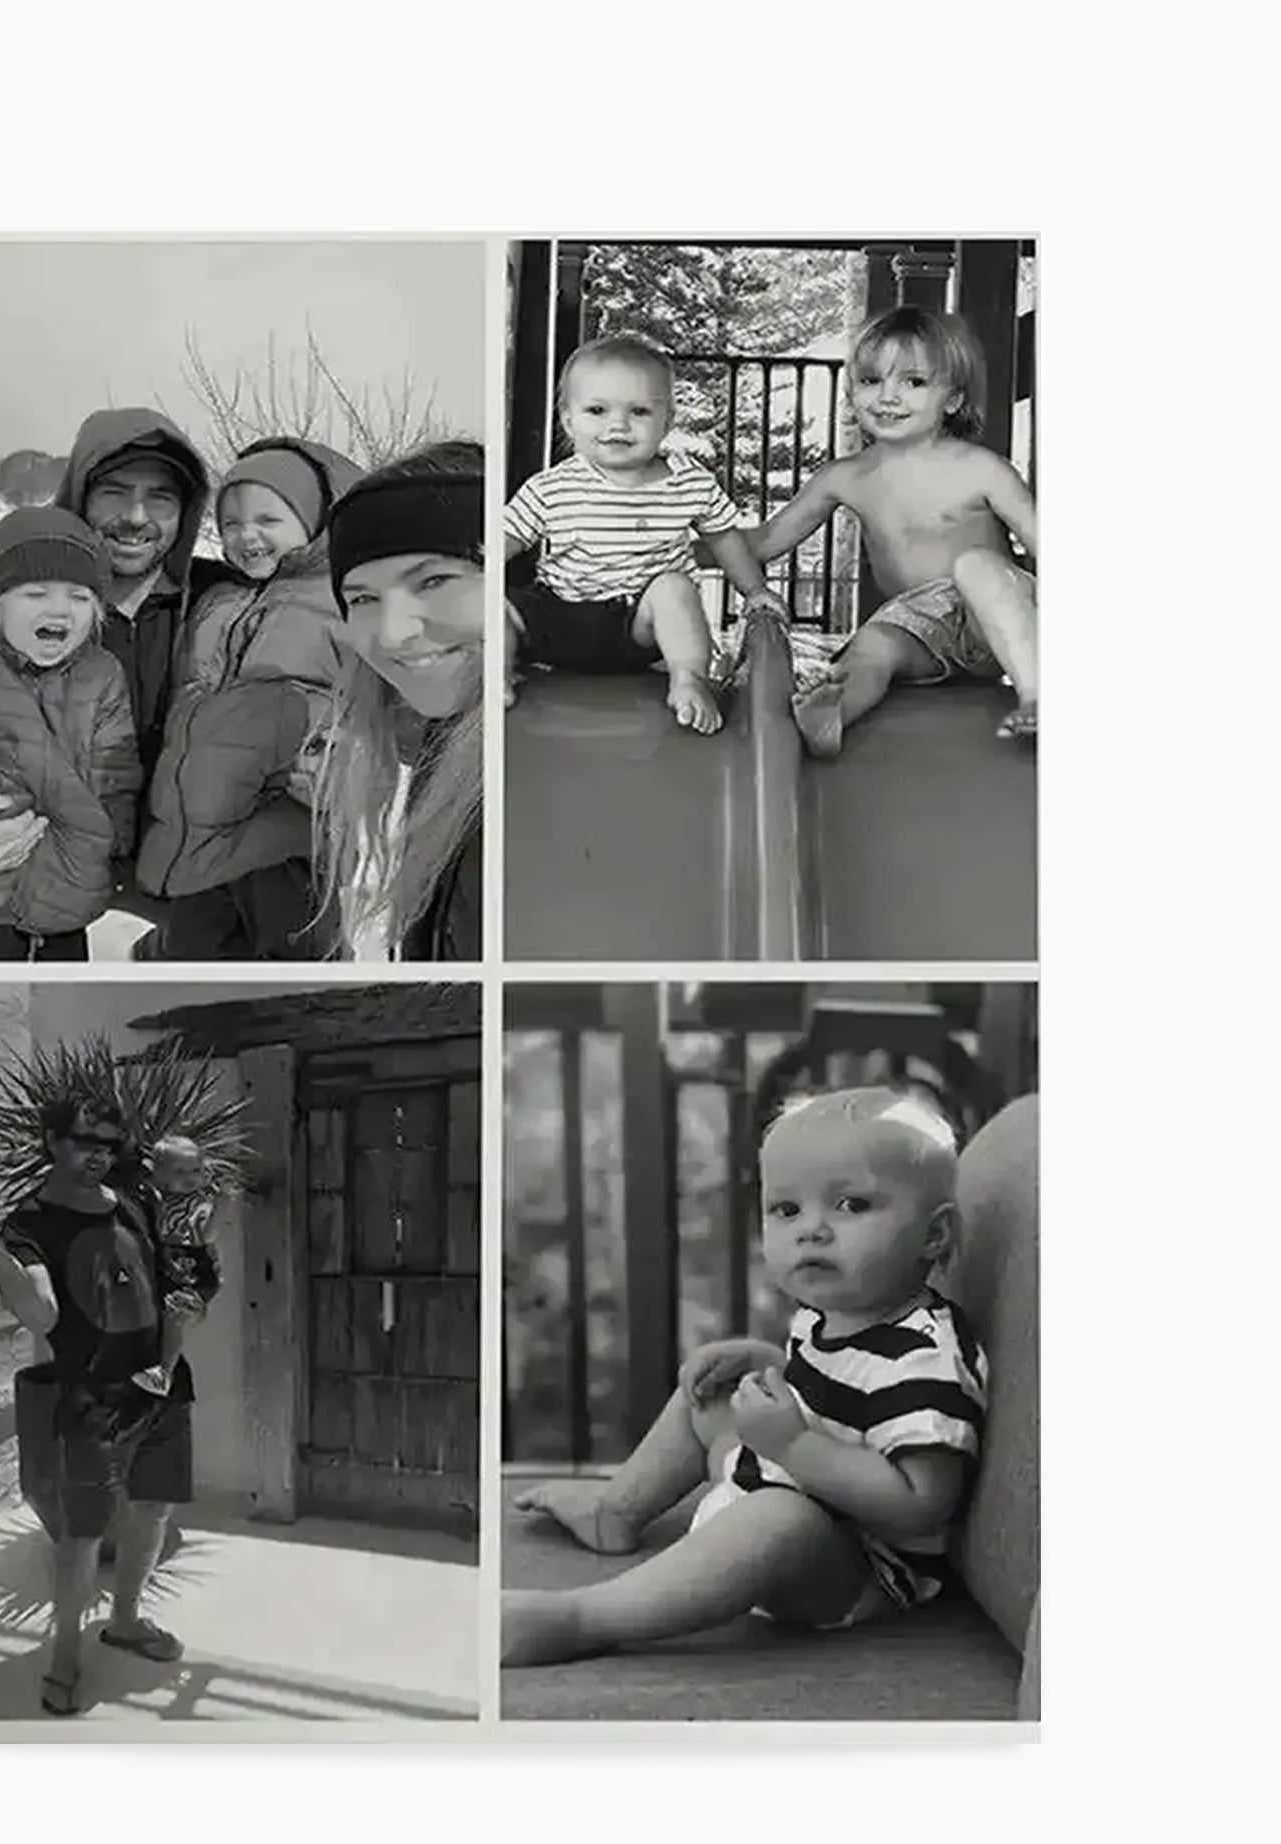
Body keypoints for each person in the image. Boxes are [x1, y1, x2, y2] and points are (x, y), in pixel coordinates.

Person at [503, 1088, 988, 1667]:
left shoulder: (924, 1358)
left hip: (853, 1565)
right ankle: (617, 1509)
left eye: (851, 1205)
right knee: (710, 1398)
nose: (812, 1230)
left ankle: (584, 1618)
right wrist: (765, 1364)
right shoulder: (838, 1311)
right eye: (787, 1210)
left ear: (934, 1235)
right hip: (783, 1480)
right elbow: (842, 1399)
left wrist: (794, 1446)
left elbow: (920, 1504)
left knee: (782, 1520)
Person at [0, 1091, 193, 1716]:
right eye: (85, 1142)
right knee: (81, 1534)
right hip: (94, 1398)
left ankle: (125, 1621)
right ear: (53, 1140)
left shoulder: (133, 1201)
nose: (99, 1155)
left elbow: (159, 1278)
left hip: (161, 1387)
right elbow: (41, 1313)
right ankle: (65, 1658)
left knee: (153, 1509)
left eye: (109, 1145)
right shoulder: (32, 1223)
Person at [749, 306, 1038, 755]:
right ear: (852, 390)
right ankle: (832, 715)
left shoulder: (982, 469)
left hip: (998, 615)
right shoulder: (845, 476)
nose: (888, 396)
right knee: (874, 642)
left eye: (913, 382)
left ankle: (1038, 694)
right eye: (871, 380)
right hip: (922, 628)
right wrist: (687, 544)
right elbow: (767, 541)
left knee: (976, 566)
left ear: (953, 400)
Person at [135, 437, 365, 959]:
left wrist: (339, 758)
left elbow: (368, 706)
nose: (246, 535)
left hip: (287, 826)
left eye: (268, 520)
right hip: (201, 830)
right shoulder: (217, 599)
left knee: (294, 949)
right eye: (231, 523)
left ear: (314, 522)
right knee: (191, 949)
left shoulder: (339, 601)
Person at [503, 333, 784, 735]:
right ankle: (496, 672)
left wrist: (754, 591)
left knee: (674, 588)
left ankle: (688, 678)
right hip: (557, 616)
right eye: (597, 410)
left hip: (637, 626)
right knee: (498, 607)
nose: (617, 425)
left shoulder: (689, 483)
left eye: (638, 411)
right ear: (568, 419)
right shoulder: (551, 487)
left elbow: (724, 538)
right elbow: (501, 541)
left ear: (666, 421)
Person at [0, 508, 140, 963]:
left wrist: (109, 843)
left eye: (80, 597)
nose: (59, 609)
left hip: (66, 900)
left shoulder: (101, 674)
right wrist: (6, 790)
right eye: (35, 593)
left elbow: (116, 768)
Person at [320, 441, 484, 961]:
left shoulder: (540, 787)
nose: (393, 634)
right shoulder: (447, 747)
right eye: (363, 598)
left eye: (434, 581)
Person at [51, 409, 220, 789]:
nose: (135, 517)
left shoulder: (223, 603)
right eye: (114, 493)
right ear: (80, 498)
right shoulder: (26, 611)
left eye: (160, 497)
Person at [129, 1136, 222, 1397]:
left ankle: (164, 1373)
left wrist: (222, 1205)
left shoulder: (197, 1203)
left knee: (175, 1315)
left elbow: (207, 1233)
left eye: (195, 1170)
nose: (189, 1178)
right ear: (159, 1174)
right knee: (165, 1313)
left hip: (195, 1272)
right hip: (174, 1268)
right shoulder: (162, 1198)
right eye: (180, 1171)